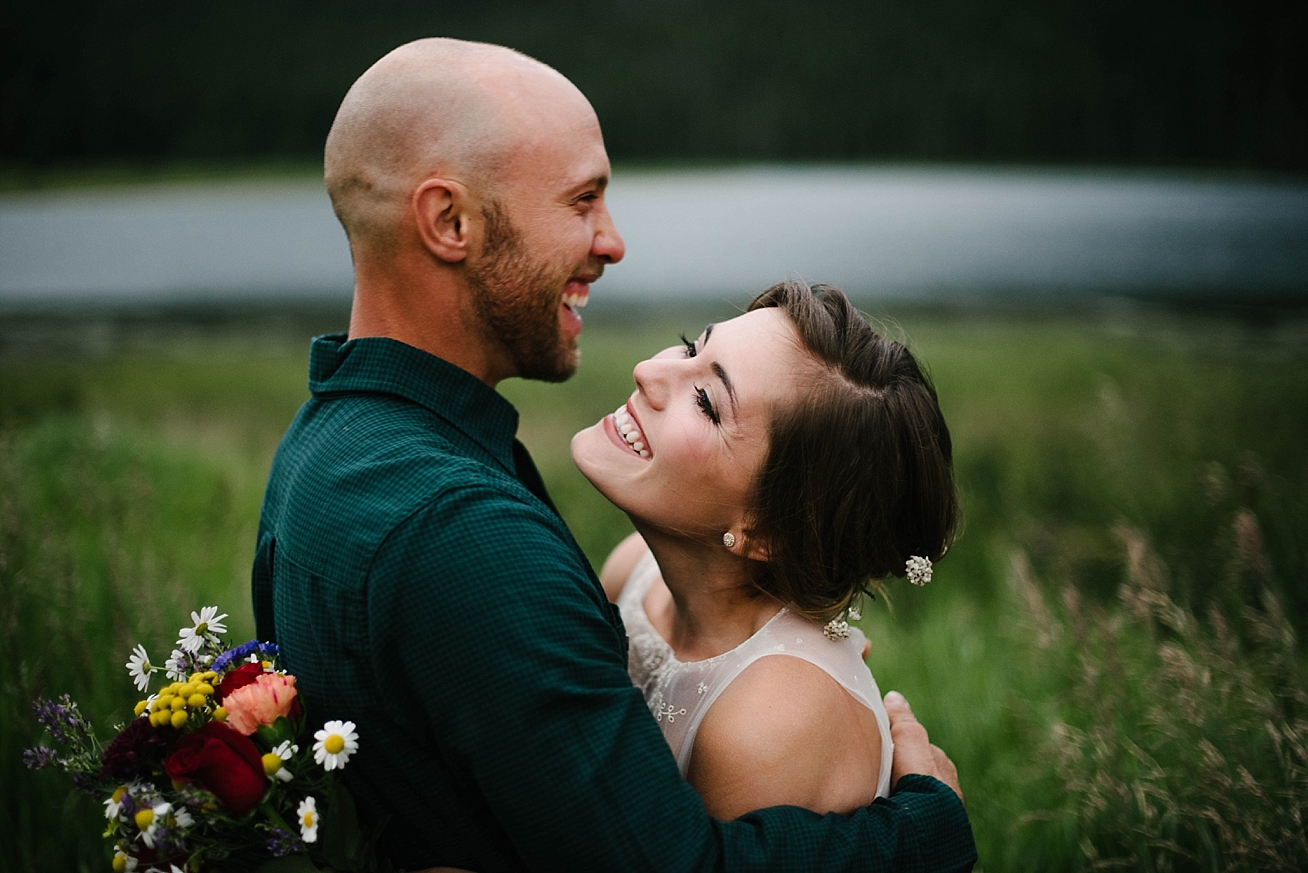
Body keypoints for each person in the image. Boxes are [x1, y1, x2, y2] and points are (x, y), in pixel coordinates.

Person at [252, 37, 977, 871]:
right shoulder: (466, 534)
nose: (613, 242)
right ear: (450, 221)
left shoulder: (320, 441)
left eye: (707, 390)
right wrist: (923, 831)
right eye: (582, 200)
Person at [573, 279, 958, 820]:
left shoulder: (769, 727)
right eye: (691, 347)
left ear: (767, 533)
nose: (648, 371)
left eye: (706, 403)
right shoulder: (637, 567)